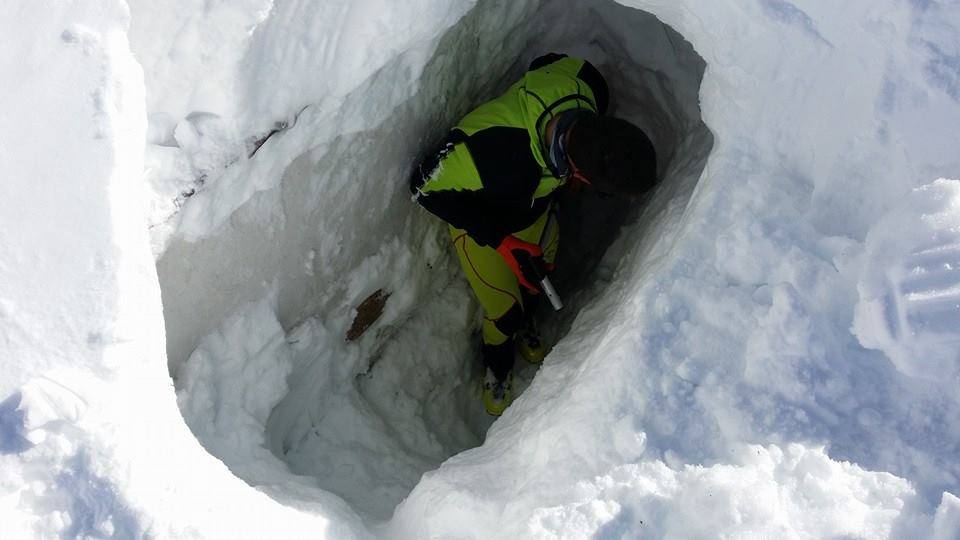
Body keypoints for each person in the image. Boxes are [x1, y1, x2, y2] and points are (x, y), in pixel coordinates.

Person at [409, 53, 657, 416]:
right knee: (504, 312)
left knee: (540, 279)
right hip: (485, 228)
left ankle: (528, 322)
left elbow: (549, 61)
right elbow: (422, 186)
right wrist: (500, 240)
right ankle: (498, 366)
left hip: (535, 214)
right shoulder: (491, 152)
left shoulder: (589, 87)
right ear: (580, 173)